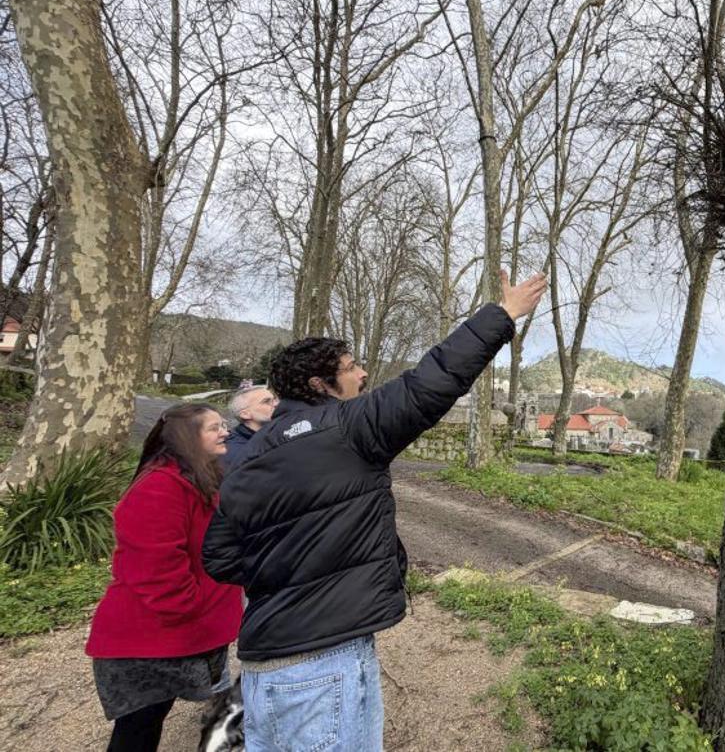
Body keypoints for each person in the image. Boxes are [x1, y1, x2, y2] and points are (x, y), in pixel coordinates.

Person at [203, 271, 546, 752]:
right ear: (320, 384)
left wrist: (293, 569)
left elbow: (218, 557)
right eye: (351, 367)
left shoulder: (249, 456)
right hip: (324, 669)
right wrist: (503, 314)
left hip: (262, 670)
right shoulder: (348, 427)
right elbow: (432, 381)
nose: (362, 374)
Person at [86, 403, 244, 752]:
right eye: (214, 427)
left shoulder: (196, 479)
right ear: (188, 437)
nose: (225, 432)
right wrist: (197, 609)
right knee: (137, 732)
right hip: (145, 642)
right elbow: (156, 571)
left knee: (149, 724)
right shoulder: (159, 487)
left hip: (174, 637)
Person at [222, 385, 278, 469]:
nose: (276, 404)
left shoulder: (277, 433)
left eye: (274, 399)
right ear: (245, 414)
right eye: (266, 401)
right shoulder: (239, 453)